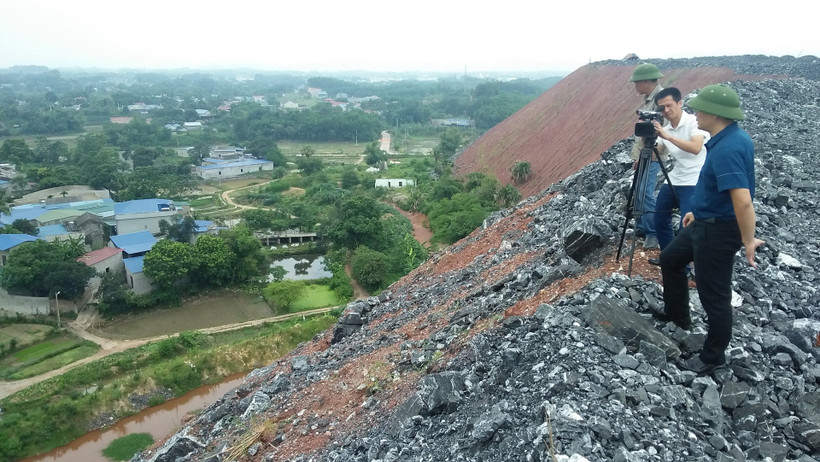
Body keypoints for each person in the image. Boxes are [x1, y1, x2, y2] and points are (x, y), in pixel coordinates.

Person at [653, 84, 765, 374]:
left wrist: (748, 239)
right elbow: (718, 188)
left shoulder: (729, 146)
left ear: (716, 113)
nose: (697, 113)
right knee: (670, 259)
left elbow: (742, 201)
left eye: (701, 109)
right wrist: (696, 209)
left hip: (719, 230)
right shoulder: (725, 138)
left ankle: (712, 356)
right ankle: (678, 317)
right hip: (703, 220)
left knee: (713, 294)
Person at [647, 87, 709, 265]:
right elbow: (656, 152)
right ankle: (669, 258)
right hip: (676, 178)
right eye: (661, 108)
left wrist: (667, 136)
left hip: (695, 179)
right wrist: (649, 140)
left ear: (680, 103)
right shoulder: (665, 128)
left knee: (687, 224)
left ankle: (686, 265)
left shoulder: (693, 122)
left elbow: (696, 148)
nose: (666, 111)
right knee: (659, 218)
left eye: (669, 105)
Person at [629, 63, 666, 249]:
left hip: (653, 154)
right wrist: (637, 157)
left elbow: (664, 130)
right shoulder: (649, 99)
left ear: (645, 81)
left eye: (637, 82)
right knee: (638, 191)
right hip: (645, 153)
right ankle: (643, 226)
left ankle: (653, 233)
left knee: (645, 193)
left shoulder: (661, 100)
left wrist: (655, 149)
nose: (635, 86)